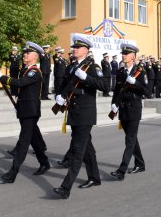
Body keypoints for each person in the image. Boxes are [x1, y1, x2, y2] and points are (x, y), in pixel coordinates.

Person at [53, 36, 108, 199]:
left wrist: (86, 78)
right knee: (87, 148)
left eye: (77, 48)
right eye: (73, 47)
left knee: (78, 150)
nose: (74, 49)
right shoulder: (71, 67)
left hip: (85, 113)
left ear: (86, 51)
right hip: (74, 112)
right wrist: (59, 96)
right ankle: (94, 177)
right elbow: (65, 86)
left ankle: (65, 187)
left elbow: (104, 85)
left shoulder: (92, 66)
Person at [0, 42, 50, 183]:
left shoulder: (34, 71)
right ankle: (44, 163)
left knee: (23, 142)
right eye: (24, 53)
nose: (24, 55)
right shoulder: (24, 69)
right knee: (34, 139)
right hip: (24, 109)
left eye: (27, 53)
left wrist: (2, 77)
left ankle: (13, 173)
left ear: (35, 57)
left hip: (30, 111)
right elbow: (20, 88)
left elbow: (20, 83)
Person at [109, 44, 149, 181]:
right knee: (132, 138)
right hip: (123, 109)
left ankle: (122, 170)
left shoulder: (140, 71)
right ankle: (140, 163)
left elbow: (147, 91)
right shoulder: (120, 72)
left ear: (133, 56)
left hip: (134, 109)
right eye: (123, 53)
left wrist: (136, 83)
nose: (124, 55)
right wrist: (113, 104)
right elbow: (117, 90)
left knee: (129, 139)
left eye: (127, 54)